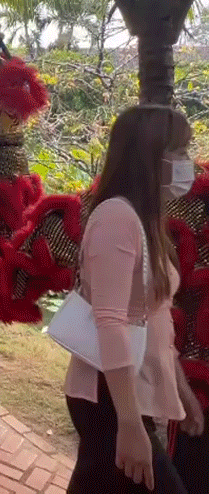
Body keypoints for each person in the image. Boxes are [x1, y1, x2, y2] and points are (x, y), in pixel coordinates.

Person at [64, 105, 204, 493]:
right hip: (108, 397)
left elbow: (154, 318)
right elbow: (110, 321)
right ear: (149, 156)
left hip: (125, 394)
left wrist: (182, 391)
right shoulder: (116, 218)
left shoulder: (145, 221)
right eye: (178, 152)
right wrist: (128, 423)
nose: (187, 163)